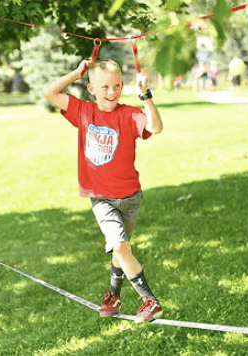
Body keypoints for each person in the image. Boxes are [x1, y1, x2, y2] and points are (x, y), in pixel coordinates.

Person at [43, 59, 164, 323]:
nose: (112, 92)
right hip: (101, 198)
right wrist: (76, 72)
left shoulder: (129, 114)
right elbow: (50, 93)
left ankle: (113, 294)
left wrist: (145, 95)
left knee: (122, 252)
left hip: (131, 197)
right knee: (120, 246)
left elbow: (155, 127)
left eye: (117, 86)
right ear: (91, 89)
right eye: (105, 87)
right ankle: (150, 300)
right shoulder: (82, 112)